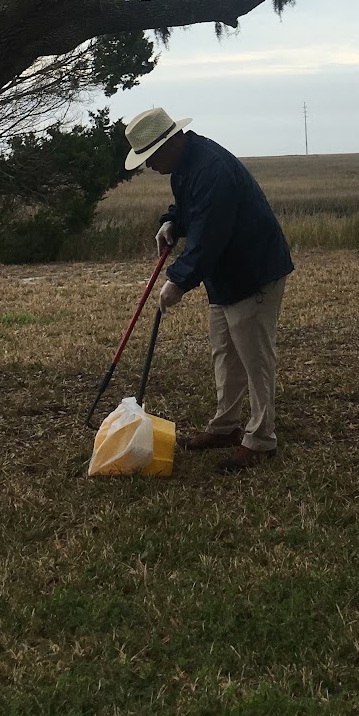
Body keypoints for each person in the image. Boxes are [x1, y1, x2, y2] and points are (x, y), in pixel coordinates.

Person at [124, 107, 293, 471]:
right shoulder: (186, 165)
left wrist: (178, 281)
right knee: (225, 351)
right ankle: (225, 427)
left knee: (255, 358)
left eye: (150, 157)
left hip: (253, 270)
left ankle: (261, 440)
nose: (149, 166)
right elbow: (190, 211)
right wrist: (170, 221)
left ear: (170, 143)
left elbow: (209, 234)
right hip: (224, 275)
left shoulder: (210, 168)